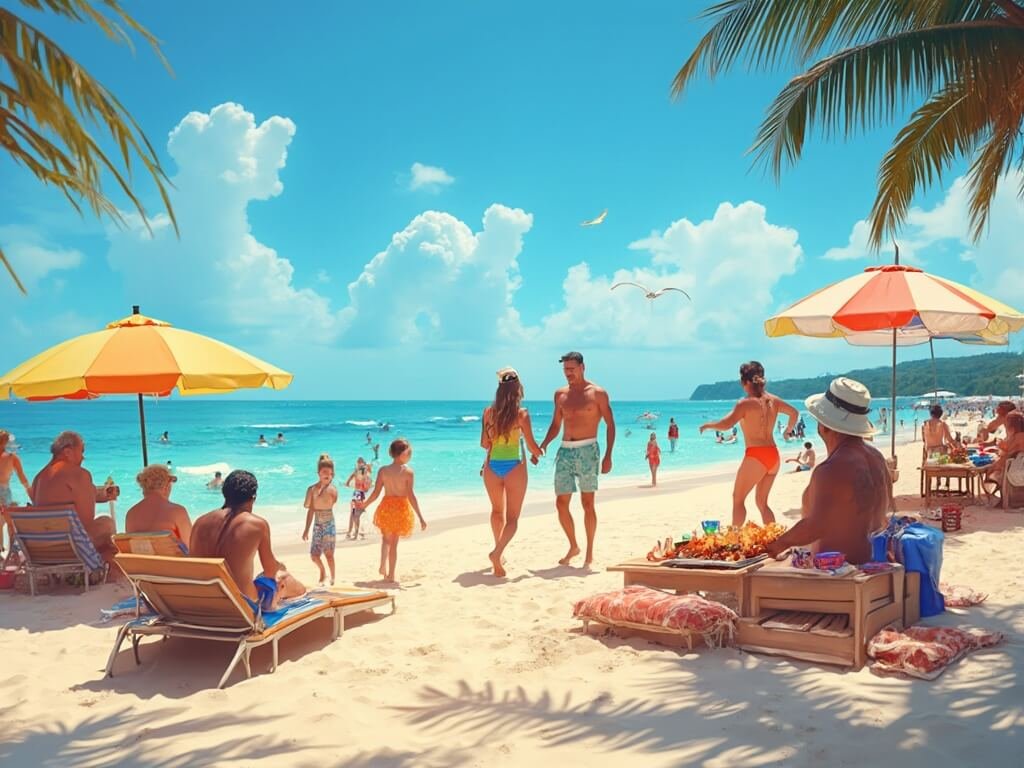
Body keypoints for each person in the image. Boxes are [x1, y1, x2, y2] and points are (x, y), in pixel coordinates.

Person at [766, 378, 890, 565]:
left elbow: (815, 526)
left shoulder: (831, 469)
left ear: (824, 425)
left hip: (839, 573)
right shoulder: (876, 458)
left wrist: (776, 544)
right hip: (873, 564)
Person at [538, 351, 615, 568]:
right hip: (565, 451)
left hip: (588, 451)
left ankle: (589, 552)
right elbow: (555, 425)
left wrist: (608, 455)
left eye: (571, 369)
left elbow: (610, 424)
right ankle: (574, 545)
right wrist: (543, 445)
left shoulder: (598, 393)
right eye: (565, 370)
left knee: (587, 503)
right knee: (561, 502)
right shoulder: (560, 394)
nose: (568, 374)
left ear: (583, 367)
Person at [699, 361, 798, 527]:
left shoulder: (744, 404)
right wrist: (788, 431)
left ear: (744, 382)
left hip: (756, 455)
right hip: (773, 455)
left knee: (738, 499)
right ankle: (772, 536)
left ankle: (735, 538)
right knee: (762, 502)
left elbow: (726, 424)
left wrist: (709, 425)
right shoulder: (774, 400)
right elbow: (794, 413)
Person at [189, 470, 304, 610]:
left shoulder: (200, 522)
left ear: (225, 494)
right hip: (241, 606)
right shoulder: (257, 524)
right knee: (284, 578)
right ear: (253, 497)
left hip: (201, 602)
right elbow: (270, 571)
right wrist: (280, 567)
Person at [480, 367, 543, 577]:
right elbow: (533, 447)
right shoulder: (521, 414)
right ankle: (497, 553)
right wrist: (539, 451)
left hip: (491, 467)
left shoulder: (488, 413)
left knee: (496, 511)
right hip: (514, 466)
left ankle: (498, 551)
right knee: (513, 518)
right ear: (518, 389)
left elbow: (484, 443)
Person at [30, 431, 118, 555]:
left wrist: (95, 494)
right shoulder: (79, 474)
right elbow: (86, 523)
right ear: (67, 452)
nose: (83, 457)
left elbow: (59, 497)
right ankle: (105, 568)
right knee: (106, 522)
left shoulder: (38, 478)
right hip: (72, 548)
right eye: (82, 451)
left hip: (42, 549)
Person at [356, 439, 426, 583]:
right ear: (401, 454)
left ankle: (383, 566)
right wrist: (420, 516)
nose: (411, 453)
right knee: (394, 543)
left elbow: (375, 493)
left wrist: (365, 504)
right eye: (409, 451)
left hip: (386, 507)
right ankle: (391, 575)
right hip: (400, 508)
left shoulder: (383, 471)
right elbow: (411, 496)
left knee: (386, 539)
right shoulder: (408, 472)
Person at [125, 464, 192, 545]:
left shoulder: (131, 514)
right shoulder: (177, 512)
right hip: (170, 557)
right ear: (166, 486)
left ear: (143, 487)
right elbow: (191, 547)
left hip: (142, 558)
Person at [302, 454, 338, 586]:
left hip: (329, 524)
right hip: (317, 525)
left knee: (329, 554)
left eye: (329, 473)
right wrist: (306, 529)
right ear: (318, 473)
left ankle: (333, 578)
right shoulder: (312, 490)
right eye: (324, 472)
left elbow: (333, 501)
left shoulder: (333, 490)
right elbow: (309, 509)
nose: (327, 475)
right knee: (314, 555)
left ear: (332, 474)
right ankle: (322, 571)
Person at [981, 411, 1024, 503]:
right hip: (1017, 465)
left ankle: (997, 497)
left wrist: (1000, 447)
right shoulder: (1018, 436)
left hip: (1016, 469)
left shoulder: (1018, 437)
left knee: (991, 470)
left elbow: (1007, 454)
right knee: (995, 466)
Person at [0, 429, 32, 506]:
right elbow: (22, 478)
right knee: (8, 510)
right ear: (6, 442)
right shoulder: (12, 457)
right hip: (3, 491)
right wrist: (31, 494)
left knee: (13, 504)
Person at [344, 457, 373, 540]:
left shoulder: (361, 472)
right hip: (360, 494)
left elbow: (351, 478)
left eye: (359, 462)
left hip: (358, 494)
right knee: (356, 513)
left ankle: (356, 533)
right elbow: (366, 486)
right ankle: (356, 532)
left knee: (355, 514)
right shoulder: (363, 472)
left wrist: (347, 483)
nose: (359, 464)